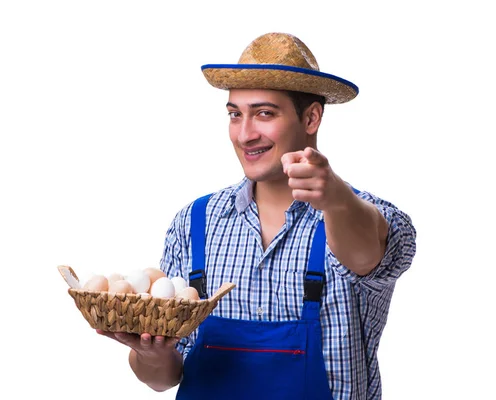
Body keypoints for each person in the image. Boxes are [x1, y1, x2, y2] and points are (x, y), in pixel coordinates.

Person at [97, 32, 417, 399]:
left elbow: (365, 255)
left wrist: (335, 198)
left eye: (264, 113)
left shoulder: (361, 215)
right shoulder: (194, 223)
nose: (245, 134)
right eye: (236, 115)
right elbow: (162, 378)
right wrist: (151, 352)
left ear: (311, 117)